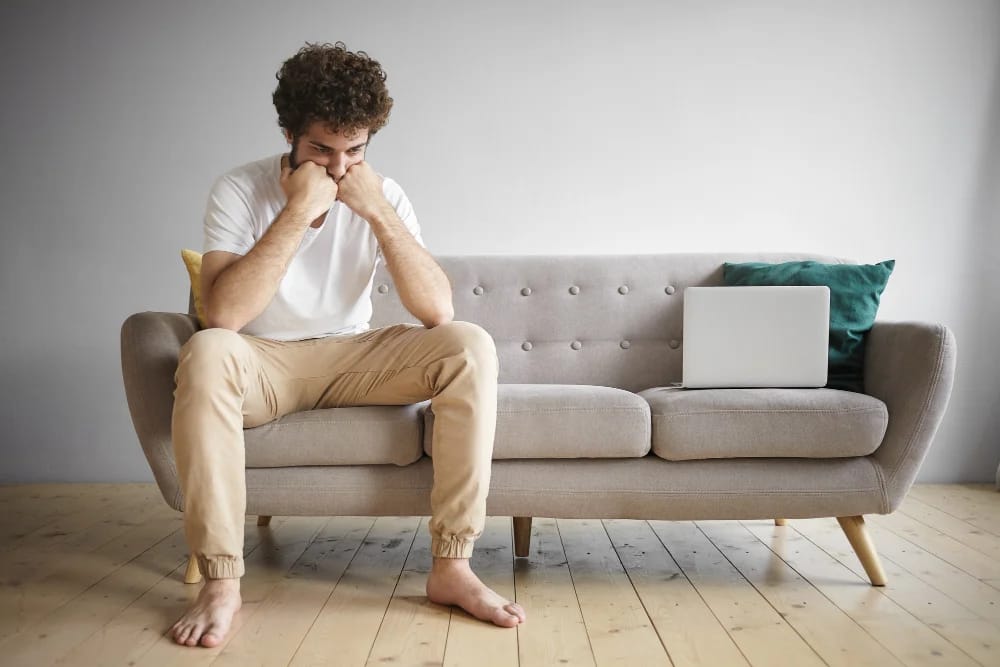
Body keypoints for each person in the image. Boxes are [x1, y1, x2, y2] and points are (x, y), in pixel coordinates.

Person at [168, 41, 526, 648]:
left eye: (354, 151)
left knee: (468, 344)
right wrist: (298, 211)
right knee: (204, 352)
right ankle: (221, 584)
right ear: (289, 134)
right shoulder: (238, 189)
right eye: (321, 150)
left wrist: (380, 214)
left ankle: (453, 568)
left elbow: (436, 310)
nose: (338, 169)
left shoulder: (380, 192)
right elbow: (225, 314)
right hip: (261, 363)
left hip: (351, 357)